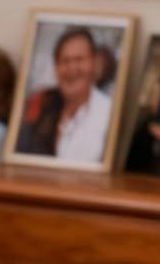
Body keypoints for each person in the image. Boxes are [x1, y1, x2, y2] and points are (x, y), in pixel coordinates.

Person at [15, 26, 114, 165]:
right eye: (65, 61)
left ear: (94, 64)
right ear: (56, 68)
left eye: (79, 59)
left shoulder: (109, 114)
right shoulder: (41, 107)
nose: (72, 68)